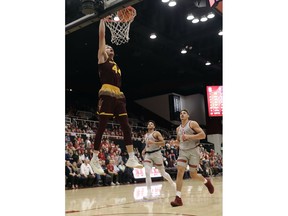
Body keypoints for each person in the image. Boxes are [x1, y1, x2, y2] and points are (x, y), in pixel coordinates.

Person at [90, 19, 143, 175]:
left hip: (119, 95)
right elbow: (101, 36)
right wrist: (102, 20)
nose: (109, 48)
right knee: (102, 126)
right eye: (107, 47)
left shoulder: (116, 65)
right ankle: (94, 158)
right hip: (106, 93)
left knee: (126, 126)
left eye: (111, 48)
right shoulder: (102, 58)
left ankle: (132, 157)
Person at [170, 109, 214, 207]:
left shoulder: (192, 123)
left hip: (194, 151)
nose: (182, 114)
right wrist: (174, 143)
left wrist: (189, 137)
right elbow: (179, 141)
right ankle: (178, 198)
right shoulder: (178, 129)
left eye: (184, 113)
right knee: (180, 171)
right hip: (183, 152)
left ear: (188, 115)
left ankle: (206, 181)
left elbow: (203, 135)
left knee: (193, 175)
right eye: (181, 113)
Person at [142, 120, 176, 200]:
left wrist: (153, 143)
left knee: (162, 173)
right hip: (148, 154)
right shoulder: (146, 135)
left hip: (156, 154)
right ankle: (149, 193)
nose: (150, 124)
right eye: (149, 124)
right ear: (147, 127)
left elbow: (163, 143)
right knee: (147, 172)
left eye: (151, 124)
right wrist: (144, 149)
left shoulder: (156, 133)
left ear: (154, 126)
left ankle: (172, 183)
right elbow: (148, 144)